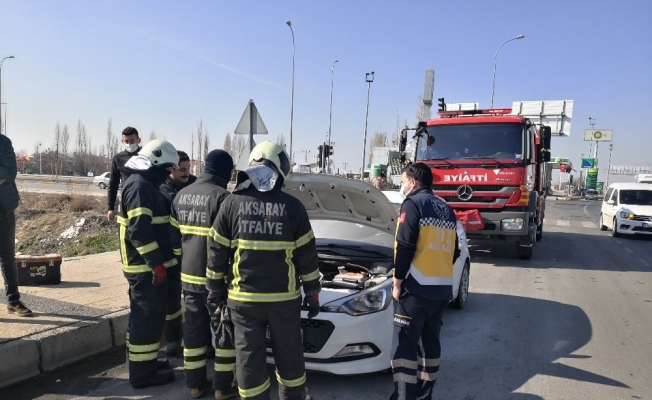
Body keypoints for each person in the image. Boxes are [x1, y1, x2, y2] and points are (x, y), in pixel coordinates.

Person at [207, 141, 320, 400]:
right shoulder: (293, 207)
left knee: (249, 358)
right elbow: (307, 256)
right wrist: (313, 292)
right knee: (289, 354)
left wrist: (214, 290)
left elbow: (216, 252)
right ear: (280, 169)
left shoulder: (231, 204)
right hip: (283, 300)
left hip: (243, 300)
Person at [171, 149, 238, 399]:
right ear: (226, 172)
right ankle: (223, 386)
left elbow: (174, 240)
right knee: (223, 333)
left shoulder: (181, 195)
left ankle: (196, 384)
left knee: (193, 333)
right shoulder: (224, 198)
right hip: (215, 281)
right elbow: (230, 244)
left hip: (189, 278)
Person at [389, 162, 460, 400]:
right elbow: (455, 251)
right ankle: (423, 396)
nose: (402, 187)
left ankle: (404, 396)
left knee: (404, 349)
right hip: (440, 292)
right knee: (430, 348)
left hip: (415, 290)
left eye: (402, 183)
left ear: (413, 182)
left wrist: (397, 282)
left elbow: (405, 245)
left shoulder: (413, 204)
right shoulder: (446, 209)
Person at [118, 139, 179, 389]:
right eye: (166, 168)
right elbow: (139, 231)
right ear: (155, 161)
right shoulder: (140, 186)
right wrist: (156, 264)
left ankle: (145, 363)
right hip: (144, 269)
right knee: (146, 320)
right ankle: (142, 374)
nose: (168, 173)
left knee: (148, 318)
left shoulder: (143, 184)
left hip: (147, 267)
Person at [158, 150, 196, 357]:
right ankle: (173, 341)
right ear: (170, 169)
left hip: (193, 252)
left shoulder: (195, 184)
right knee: (172, 301)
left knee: (196, 300)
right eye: (182, 169)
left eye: (188, 168)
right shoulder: (162, 190)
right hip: (171, 254)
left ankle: (200, 341)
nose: (186, 173)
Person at [0, 135, 32, 317]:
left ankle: (13, 300)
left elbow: (10, 172)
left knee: (7, 257)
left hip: (3, 209)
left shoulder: (3, 142)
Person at [107, 126, 141, 222]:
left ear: (139, 140)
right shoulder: (118, 159)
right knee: (124, 226)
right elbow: (113, 184)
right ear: (122, 141)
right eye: (126, 141)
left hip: (145, 198)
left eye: (132, 140)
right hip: (126, 200)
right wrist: (110, 208)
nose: (129, 144)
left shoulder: (147, 156)